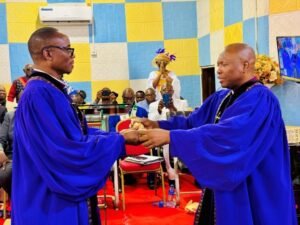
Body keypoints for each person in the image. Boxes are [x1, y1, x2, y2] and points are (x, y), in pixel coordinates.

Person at [138, 43, 297, 225]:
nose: (218, 70)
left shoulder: (261, 99)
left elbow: (230, 136)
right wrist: (157, 124)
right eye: (217, 65)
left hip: (255, 185)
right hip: (227, 184)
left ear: (245, 65)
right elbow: (192, 122)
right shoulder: (222, 97)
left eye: (224, 64)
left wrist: (171, 137)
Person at [12, 27, 139, 225]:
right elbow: (63, 151)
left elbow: (75, 133)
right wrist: (119, 140)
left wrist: (114, 134)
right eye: (68, 49)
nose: (73, 55)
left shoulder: (51, 89)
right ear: (48, 53)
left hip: (54, 197)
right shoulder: (37, 94)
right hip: (48, 202)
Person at [0, 111, 14, 197]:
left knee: (5, 174)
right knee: (5, 173)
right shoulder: (10, 116)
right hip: (11, 158)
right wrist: (0, 151)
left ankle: (19, 204)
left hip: (33, 159)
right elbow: (0, 139)